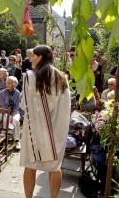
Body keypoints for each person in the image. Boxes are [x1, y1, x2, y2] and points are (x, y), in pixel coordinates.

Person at [20, 45, 70, 198]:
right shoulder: (62, 77)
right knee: (54, 167)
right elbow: (66, 105)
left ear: (40, 57)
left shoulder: (29, 77)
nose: (31, 59)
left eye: (33, 56)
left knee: (30, 166)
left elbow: (24, 105)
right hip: (56, 129)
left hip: (33, 130)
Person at [0, 76, 21, 149]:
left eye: (9, 83)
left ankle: (17, 140)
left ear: (14, 85)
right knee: (5, 119)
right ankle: (3, 139)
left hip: (15, 112)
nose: (7, 84)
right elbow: (2, 105)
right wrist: (7, 113)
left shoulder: (17, 93)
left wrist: (14, 113)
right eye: (7, 82)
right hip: (5, 112)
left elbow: (18, 105)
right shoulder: (2, 92)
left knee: (15, 120)